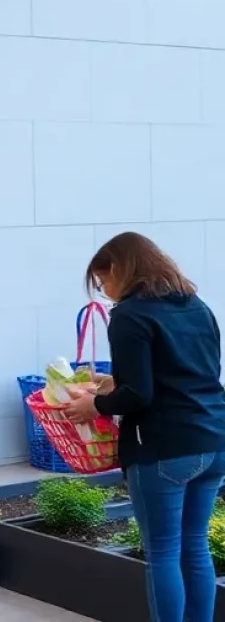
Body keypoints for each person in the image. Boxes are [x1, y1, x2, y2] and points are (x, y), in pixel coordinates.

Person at [65, 232, 225, 622]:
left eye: (105, 283)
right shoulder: (195, 305)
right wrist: (109, 384)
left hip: (164, 448)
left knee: (163, 553)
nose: (107, 294)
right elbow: (192, 374)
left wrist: (95, 404)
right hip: (214, 439)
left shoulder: (130, 315)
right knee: (194, 547)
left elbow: (139, 396)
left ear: (120, 269)